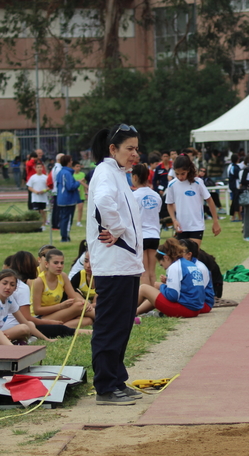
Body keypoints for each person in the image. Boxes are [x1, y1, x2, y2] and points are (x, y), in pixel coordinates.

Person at [87, 123, 145, 406]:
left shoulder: (120, 174)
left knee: (122, 325)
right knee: (110, 326)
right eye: (129, 149)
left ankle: (117, 379)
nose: (135, 154)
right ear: (113, 149)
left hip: (127, 264)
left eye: (136, 148)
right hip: (113, 265)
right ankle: (106, 387)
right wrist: (118, 229)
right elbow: (103, 201)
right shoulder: (105, 172)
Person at [136, 238, 205, 318]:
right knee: (157, 292)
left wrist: (161, 286)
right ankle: (134, 312)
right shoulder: (189, 264)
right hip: (195, 310)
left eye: (162, 264)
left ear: (166, 258)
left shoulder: (174, 267)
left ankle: (125, 312)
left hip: (185, 309)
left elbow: (173, 296)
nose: (164, 268)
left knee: (144, 288)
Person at [165, 155, 221, 248]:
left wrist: (215, 221)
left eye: (183, 173)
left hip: (196, 225)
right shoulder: (172, 184)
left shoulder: (198, 182)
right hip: (181, 227)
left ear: (189, 170)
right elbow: (169, 204)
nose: (180, 177)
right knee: (183, 257)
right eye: (177, 174)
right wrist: (174, 220)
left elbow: (210, 201)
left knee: (192, 255)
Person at [31, 249, 95, 328]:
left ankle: (58, 328)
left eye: (62, 263)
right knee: (79, 306)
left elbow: (73, 296)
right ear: (46, 264)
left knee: (87, 320)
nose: (59, 266)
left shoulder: (63, 276)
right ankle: (107, 321)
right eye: (56, 263)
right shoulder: (39, 281)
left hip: (56, 313)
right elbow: (37, 310)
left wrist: (84, 302)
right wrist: (60, 306)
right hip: (41, 318)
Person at [0, 270, 56, 346]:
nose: (8, 287)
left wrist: (46, 339)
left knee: (28, 325)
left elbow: (24, 321)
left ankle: (17, 343)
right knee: (23, 328)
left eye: (12, 285)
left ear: (15, 288)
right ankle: (13, 348)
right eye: (4, 283)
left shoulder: (10, 299)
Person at [132, 164, 162, 288]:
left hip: (141, 236)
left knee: (143, 273)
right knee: (152, 272)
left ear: (134, 177)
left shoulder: (134, 196)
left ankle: (147, 302)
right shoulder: (156, 195)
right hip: (155, 235)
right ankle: (154, 301)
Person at [56, 154, 81, 243]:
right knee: (67, 219)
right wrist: (78, 183)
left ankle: (64, 236)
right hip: (68, 199)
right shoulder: (67, 173)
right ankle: (65, 237)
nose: (72, 162)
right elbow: (70, 187)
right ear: (68, 162)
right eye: (70, 160)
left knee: (63, 218)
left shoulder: (60, 172)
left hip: (61, 198)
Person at [27, 162, 49, 230]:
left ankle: (43, 224)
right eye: (38, 167)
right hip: (35, 198)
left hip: (43, 198)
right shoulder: (32, 177)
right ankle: (36, 225)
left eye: (40, 167)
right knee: (36, 212)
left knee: (43, 211)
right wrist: (35, 191)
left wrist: (44, 191)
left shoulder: (45, 177)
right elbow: (29, 187)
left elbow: (49, 187)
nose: (39, 169)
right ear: (35, 168)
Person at [227, 153, 242, 222]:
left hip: (232, 186)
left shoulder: (230, 166)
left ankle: (237, 216)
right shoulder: (235, 167)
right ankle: (235, 217)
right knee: (235, 202)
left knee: (235, 201)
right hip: (235, 186)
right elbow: (238, 176)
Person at [72, 161, 87, 227]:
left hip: (81, 194)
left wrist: (85, 192)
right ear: (73, 167)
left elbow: (84, 184)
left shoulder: (83, 174)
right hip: (73, 194)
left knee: (80, 208)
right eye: (77, 166)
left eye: (79, 166)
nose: (78, 168)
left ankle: (79, 221)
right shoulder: (72, 175)